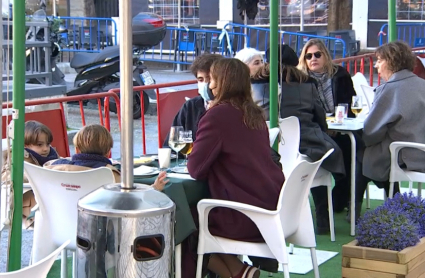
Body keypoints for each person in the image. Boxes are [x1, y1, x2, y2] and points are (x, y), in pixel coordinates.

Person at [187, 58, 285, 278]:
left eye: (211, 79)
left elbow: (195, 168)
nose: (208, 85)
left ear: (221, 82)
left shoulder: (218, 115)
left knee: (182, 220)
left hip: (243, 215)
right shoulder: (254, 113)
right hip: (270, 206)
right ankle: (240, 273)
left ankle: (237, 272)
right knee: (192, 220)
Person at [264, 45, 345, 233]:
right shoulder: (308, 83)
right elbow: (319, 117)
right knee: (319, 162)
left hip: (270, 150)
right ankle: (322, 218)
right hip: (307, 146)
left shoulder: (256, 83)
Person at [355, 41, 425, 219]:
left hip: (403, 155)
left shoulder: (389, 89)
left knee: (359, 153)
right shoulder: (422, 84)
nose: (376, 65)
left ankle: (354, 209)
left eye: (379, 60)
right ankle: (394, 202)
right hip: (420, 152)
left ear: (391, 61)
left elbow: (371, 131)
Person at [298, 38, 357, 213]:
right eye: (308, 56)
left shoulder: (340, 74)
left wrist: (337, 123)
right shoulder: (302, 80)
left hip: (341, 127)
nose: (313, 59)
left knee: (352, 151)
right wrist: (324, 127)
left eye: (317, 54)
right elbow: (305, 112)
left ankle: (339, 200)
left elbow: (349, 104)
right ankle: (323, 210)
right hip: (316, 131)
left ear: (325, 55)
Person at [46, 124, 167, 191]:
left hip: (61, 221)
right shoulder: (110, 173)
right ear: (108, 152)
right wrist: (154, 188)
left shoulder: (56, 167)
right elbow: (130, 199)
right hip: (102, 226)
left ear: (77, 149)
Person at [2, 120, 60, 228]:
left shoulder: (52, 154)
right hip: (28, 198)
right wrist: (32, 175)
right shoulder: (17, 156)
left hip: (48, 194)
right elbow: (6, 177)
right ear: (26, 145)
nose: (45, 148)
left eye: (48, 144)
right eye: (39, 144)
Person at [163, 53, 224, 146]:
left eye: (209, 79)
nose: (206, 84)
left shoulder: (232, 108)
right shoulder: (190, 107)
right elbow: (172, 144)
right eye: (200, 80)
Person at [235, 47, 270, 119]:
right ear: (243, 66)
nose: (262, 65)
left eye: (262, 61)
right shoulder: (237, 87)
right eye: (256, 63)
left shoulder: (263, 86)